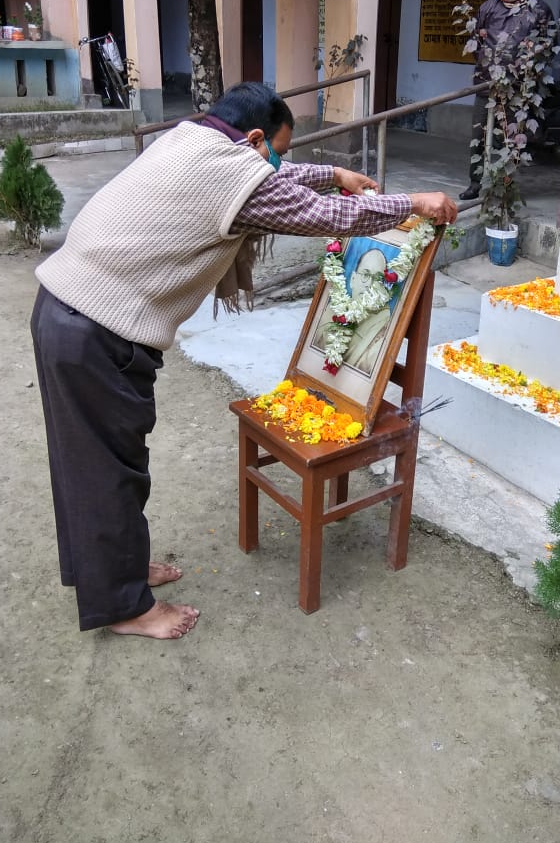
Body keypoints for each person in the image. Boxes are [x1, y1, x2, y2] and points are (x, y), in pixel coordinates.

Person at [30, 82, 457, 640]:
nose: (278, 164)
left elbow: (276, 179)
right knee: (106, 470)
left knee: (92, 462)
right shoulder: (233, 174)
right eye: (276, 150)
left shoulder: (193, 139)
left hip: (67, 312)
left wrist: (334, 172)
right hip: (93, 330)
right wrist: (413, 204)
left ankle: (115, 574)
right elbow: (316, 212)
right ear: (253, 138)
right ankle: (124, 606)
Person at [459, 0, 554, 201]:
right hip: (486, 83)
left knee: (509, 140)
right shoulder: (488, 7)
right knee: (478, 136)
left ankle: (503, 187)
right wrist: (488, 66)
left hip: (517, 88)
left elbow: (548, 46)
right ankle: (475, 183)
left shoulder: (539, 9)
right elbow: (476, 43)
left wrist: (526, 68)